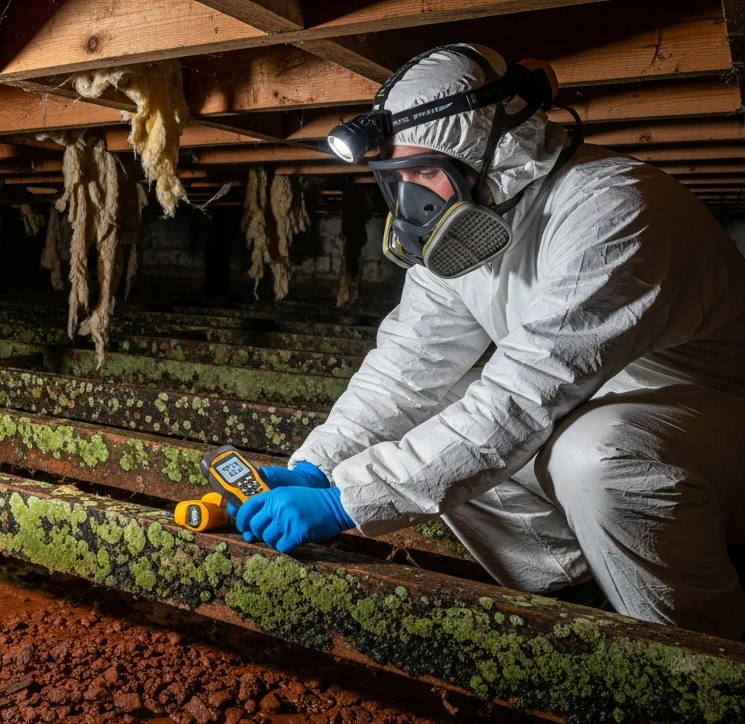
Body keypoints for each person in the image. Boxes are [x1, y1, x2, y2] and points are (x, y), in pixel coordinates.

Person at [233, 44, 745, 640]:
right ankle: (575, 602)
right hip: (592, 406)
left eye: (425, 173)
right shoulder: (471, 223)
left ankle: (703, 668)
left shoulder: (613, 210)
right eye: (398, 180)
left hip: (713, 423)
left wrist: (350, 502)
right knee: (446, 424)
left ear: (496, 154)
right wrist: (319, 467)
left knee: (595, 455)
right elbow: (408, 366)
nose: (412, 202)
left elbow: (524, 396)